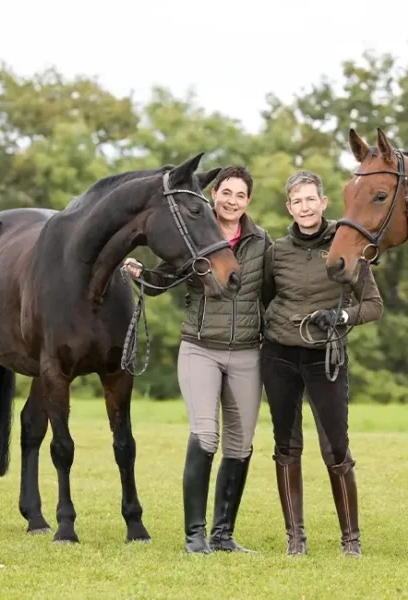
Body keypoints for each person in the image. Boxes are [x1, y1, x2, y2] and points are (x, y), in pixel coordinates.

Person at [122, 165, 271, 554]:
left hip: (247, 354)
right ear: (214, 194)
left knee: (240, 445)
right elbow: (162, 280)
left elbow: (274, 293)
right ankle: (195, 536)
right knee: (206, 435)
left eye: (240, 195)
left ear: (248, 201)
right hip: (201, 349)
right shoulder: (194, 237)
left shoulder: (262, 243)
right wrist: (140, 273)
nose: (232, 201)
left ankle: (223, 536)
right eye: (226, 193)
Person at [260, 170, 384, 557]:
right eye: (297, 201)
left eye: (310, 199)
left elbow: (374, 305)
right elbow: (264, 298)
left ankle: (351, 538)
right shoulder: (276, 251)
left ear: (323, 202)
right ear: (289, 208)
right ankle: (295, 537)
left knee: (336, 447)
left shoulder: (345, 245)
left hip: (325, 357)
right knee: (286, 445)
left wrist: (342, 317)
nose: (304, 207)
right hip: (279, 355)